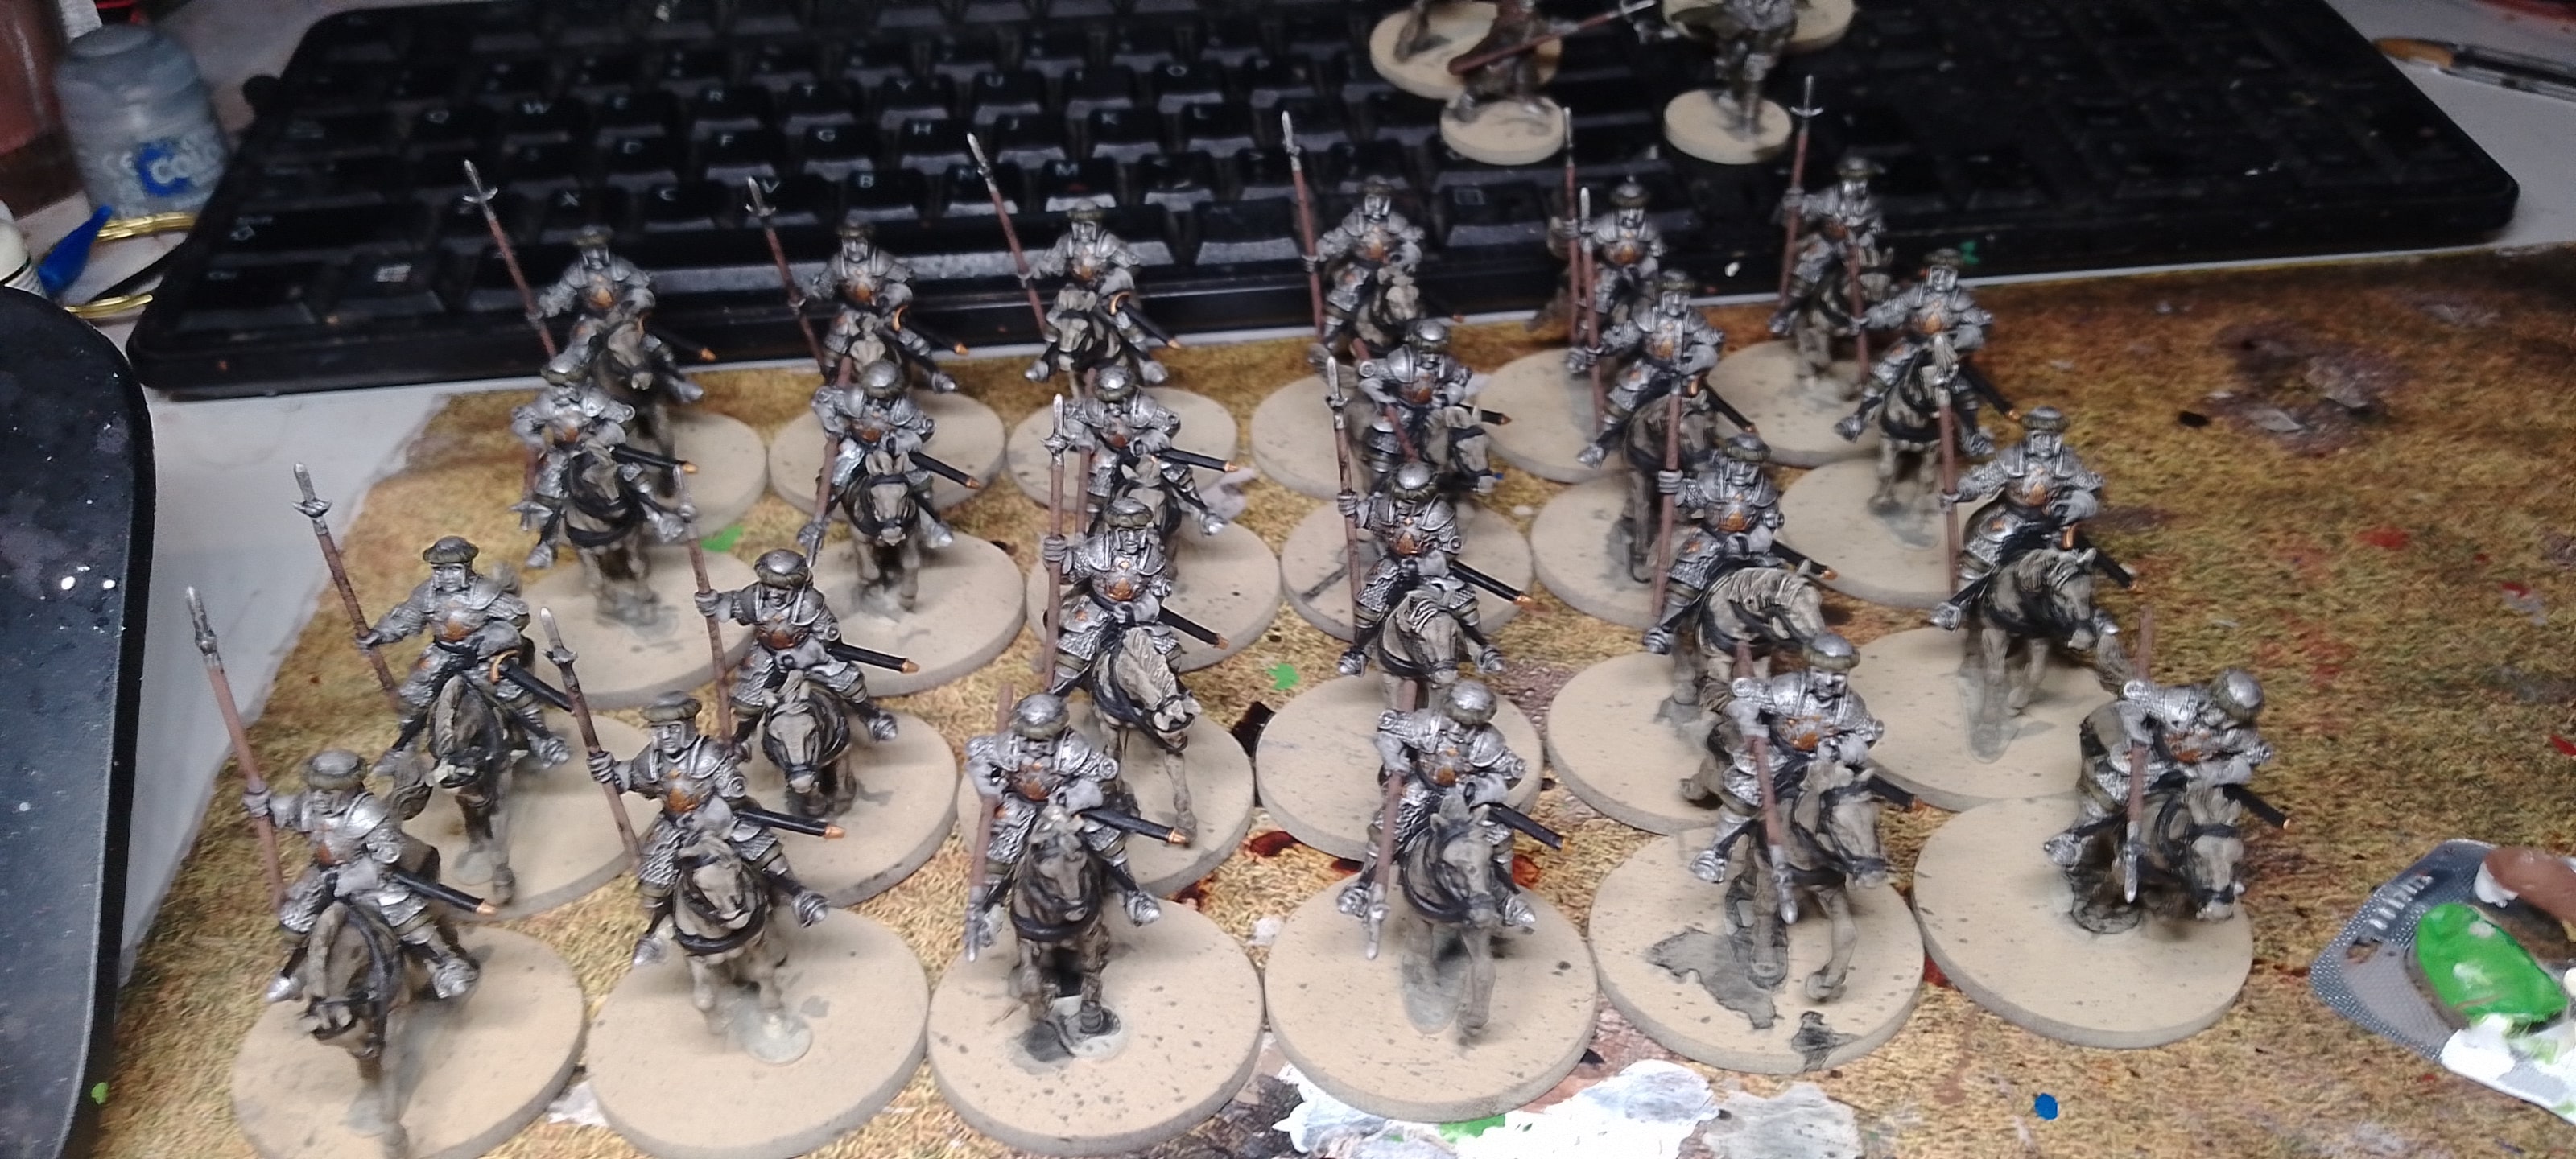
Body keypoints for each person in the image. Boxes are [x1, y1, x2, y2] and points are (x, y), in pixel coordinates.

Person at [589, 692, 832, 965]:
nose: (666, 736)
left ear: (687, 728)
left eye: (672, 729)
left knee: (765, 853)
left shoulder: (709, 755)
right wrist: (609, 770)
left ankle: (797, 896)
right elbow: (631, 777)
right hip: (676, 825)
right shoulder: (652, 760)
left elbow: (733, 794)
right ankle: (659, 933)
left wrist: (717, 817)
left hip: (722, 817)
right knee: (654, 883)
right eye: (659, 730)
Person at [245, 749, 480, 1002]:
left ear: (348, 789)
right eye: (315, 790)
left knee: (403, 913)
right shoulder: (308, 806)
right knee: (296, 921)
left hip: (368, 875)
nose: (318, 798)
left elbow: (387, 855)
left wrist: (351, 880)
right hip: (323, 874)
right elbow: (283, 811)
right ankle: (295, 973)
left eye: (328, 792)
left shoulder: (367, 813)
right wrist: (262, 804)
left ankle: (445, 964)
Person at [963, 693, 1162, 954]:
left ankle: (1131, 895)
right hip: (1020, 805)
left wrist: (1075, 796)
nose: (1033, 746)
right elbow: (978, 759)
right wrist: (988, 787)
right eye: (1028, 738)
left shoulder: (1072, 749)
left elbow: (1103, 776)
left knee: (1104, 839)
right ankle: (989, 910)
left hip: (1063, 806)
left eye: (1042, 738)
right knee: (1001, 853)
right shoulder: (1007, 745)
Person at [1688, 633, 1882, 884]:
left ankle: (1858, 854)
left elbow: (1867, 733)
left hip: (1825, 762)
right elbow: (1745, 696)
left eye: (1838, 675)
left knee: (1854, 801)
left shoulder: (1851, 705)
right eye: (1821, 672)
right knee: (1748, 791)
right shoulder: (1788, 689)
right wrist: (1744, 713)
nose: (1828, 681)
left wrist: (1847, 748)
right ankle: (1718, 852)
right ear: (1810, 667)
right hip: (1779, 753)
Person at [1337, 681, 1534, 927]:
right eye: (1455, 720)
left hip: (1464, 799)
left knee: (1499, 838)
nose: (1459, 730)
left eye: (1468, 725)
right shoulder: (1426, 723)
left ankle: (1505, 900)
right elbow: (1389, 733)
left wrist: (1478, 789)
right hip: (1421, 789)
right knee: (1386, 830)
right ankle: (1364, 888)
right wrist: (1392, 759)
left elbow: (1510, 772)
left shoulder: (1489, 741)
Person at [363, 536, 568, 766]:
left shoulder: (484, 592)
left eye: (453, 570)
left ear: (467, 568)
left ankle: (543, 741)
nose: (447, 576)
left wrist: (486, 642)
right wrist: (380, 634)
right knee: (412, 695)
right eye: (440, 570)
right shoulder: (426, 594)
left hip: (481, 656)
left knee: (515, 695)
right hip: (441, 654)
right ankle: (404, 749)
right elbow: (405, 618)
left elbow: (516, 619)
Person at [696, 549, 899, 741]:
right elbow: (733, 604)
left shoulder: (809, 603)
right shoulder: (754, 598)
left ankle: (872, 717)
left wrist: (809, 652)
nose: (774, 594)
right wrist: (714, 603)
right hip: (767, 652)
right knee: (748, 701)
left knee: (848, 682)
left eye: (782, 589)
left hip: (806, 650)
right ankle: (742, 738)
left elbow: (826, 636)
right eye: (769, 587)